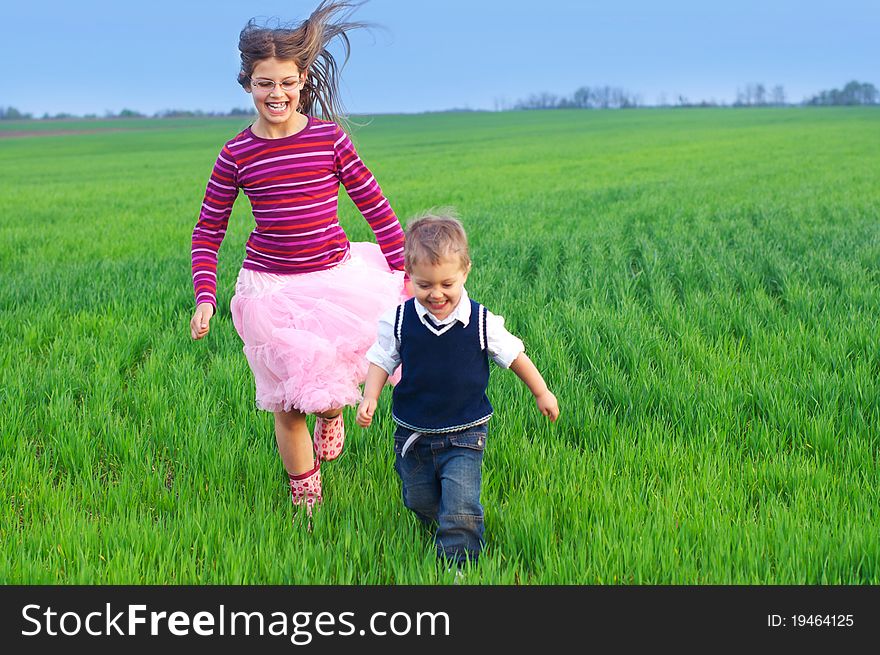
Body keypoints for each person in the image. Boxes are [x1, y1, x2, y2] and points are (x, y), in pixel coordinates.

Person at [189, 1, 407, 522]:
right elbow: (207, 230)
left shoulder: (329, 140)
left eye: (287, 82)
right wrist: (204, 297)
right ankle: (306, 503)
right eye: (265, 83)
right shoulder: (236, 154)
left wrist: (405, 275)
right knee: (285, 404)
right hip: (271, 291)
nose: (277, 93)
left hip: (335, 279)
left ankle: (332, 414)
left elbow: (375, 206)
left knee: (328, 393)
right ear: (247, 84)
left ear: (303, 79)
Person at [356, 211, 559, 567]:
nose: (436, 294)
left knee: (461, 504)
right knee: (418, 498)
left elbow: (515, 357)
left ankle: (459, 564)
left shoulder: (482, 322)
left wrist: (541, 392)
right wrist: (370, 396)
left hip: (466, 431)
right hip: (413, 433)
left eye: (446, 284)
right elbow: (381, 359)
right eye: (424, 285)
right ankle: (441, 523)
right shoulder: (399, 320)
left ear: (465, 271)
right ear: (409, 278)